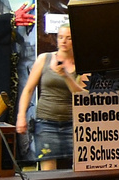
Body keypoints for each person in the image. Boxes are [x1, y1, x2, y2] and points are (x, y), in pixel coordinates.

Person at [15, 24, 89, 170]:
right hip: (46, 122)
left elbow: (84, 96)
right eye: (60, 37)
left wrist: (67, 77)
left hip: (72, 123)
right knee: (48, 171)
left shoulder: (82, 63)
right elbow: (28, 89)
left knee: (79, 169)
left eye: (68, 38)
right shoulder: (45, 59)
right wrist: (21, 116)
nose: (63, 41)